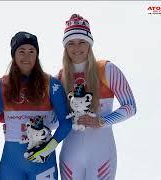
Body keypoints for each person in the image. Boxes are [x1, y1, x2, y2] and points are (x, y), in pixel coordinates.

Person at [58, 14, 137, 180]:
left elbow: (130, 107)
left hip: (101, 152)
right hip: (71, 152)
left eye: (82, 42)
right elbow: (53, 119)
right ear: (65, 47)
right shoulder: (60, 77)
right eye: (71, 43)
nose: (76, 47)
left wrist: (101, 121)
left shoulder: (107, 69)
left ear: (89, 44)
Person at [0, 31, 72, 180]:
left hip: (43, 163)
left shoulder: (51, 84)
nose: (26, 56)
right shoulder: (2, 85)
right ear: (14, 55)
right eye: (21, 51)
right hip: (11, 165)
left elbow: (66, 123)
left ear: (37, 55)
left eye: (31, 51)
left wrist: (50, 147)